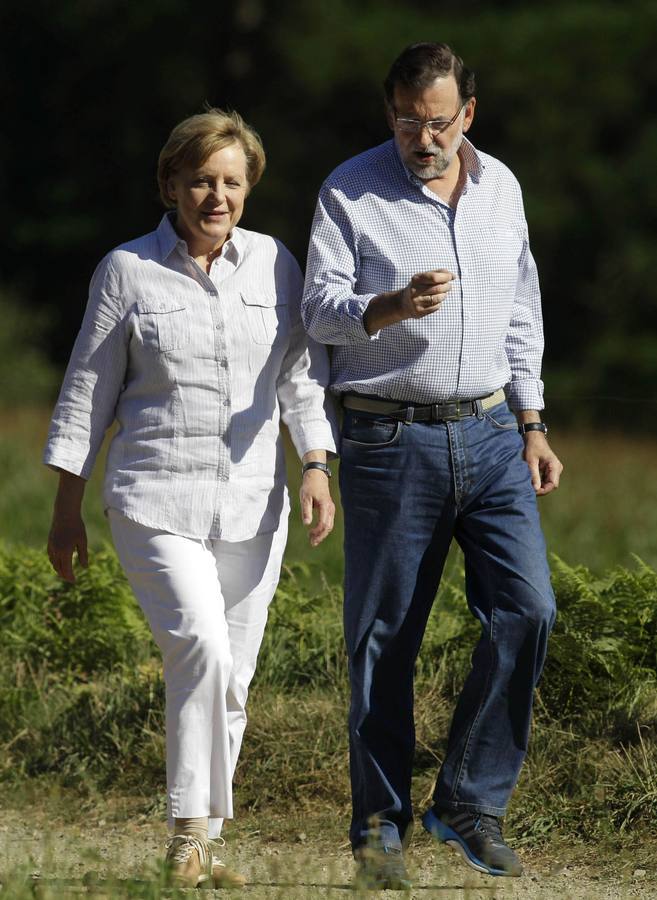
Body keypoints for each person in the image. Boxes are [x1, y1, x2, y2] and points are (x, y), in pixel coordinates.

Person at [44, 108, 338, 889]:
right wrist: (65, 509)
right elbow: (87, 393)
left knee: (231, 676)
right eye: (201, 180)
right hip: (153, 500)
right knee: (201, 649)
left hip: (254, 504)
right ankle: (184, 836)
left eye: (231, 181)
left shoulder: (277, 264)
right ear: (171, 184)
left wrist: (315, 462)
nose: (217, 195)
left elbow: (298, 377)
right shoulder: (126, 270)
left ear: (249, 189)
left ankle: (207, 843)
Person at [302, 42, 563, 888]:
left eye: (438, 123)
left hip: (491, 433)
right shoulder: (348, 189)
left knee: (527, 612)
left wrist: (532, 420)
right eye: (408, 123)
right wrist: (387, 306)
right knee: (383, 641)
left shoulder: (504, 190)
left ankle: (466, 802)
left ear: (468, 117)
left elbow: (521, 307)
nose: (424, 139)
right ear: (391, 115)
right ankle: (378, 826)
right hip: (387, 438)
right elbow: (316, 311)